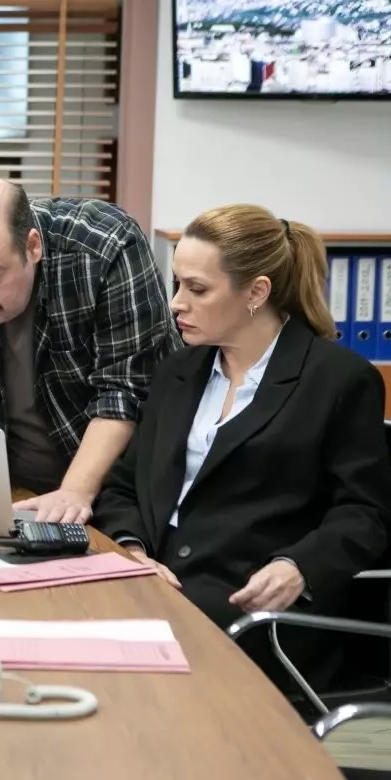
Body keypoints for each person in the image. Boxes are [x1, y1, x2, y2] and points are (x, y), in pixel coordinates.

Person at [93, 204, 391, 692]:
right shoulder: (177, 371)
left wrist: (298, 567)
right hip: (153, 585)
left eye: (197, 289)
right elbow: (124, 486)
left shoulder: (338, 381)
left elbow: (366, 512)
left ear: (256, 293)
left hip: (253, 607)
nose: (176, 304)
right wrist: (130, 548)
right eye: (177, 284)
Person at [0, 176, 181, 522]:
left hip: (115, 493)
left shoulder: (105, 249)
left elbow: (125, 392)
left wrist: (74, 493)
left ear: (32, 247)